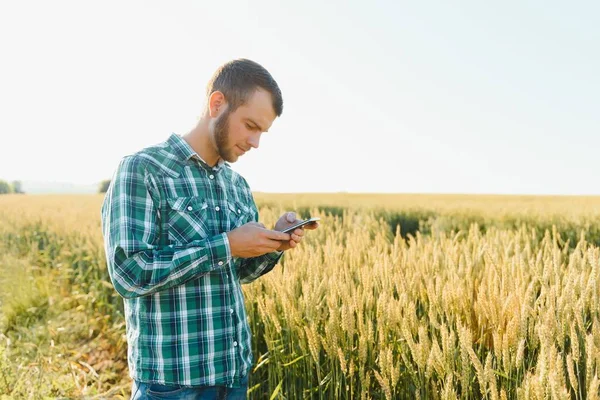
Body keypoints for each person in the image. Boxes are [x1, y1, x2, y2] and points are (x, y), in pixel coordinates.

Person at [101, 58, 318, 400]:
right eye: (250, 125)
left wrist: (273, 242)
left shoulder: (238, 186)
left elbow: (238, 272)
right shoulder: (144, 170)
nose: (256, 142)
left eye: (262, 131)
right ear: (217, 104)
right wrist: (226, 245)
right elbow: (130, 273)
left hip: (232, 376)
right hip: (171, 384)